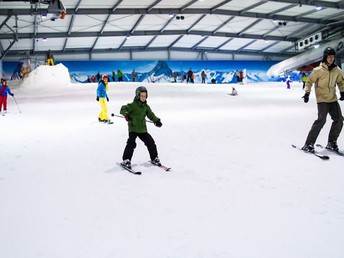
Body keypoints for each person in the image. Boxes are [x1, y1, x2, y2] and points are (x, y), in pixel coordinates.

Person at [301, 47, 344, 153]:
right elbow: (309, 81)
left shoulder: (337, 70)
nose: (331, 59)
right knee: (321, 120)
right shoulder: (318, 70)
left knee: (339, 120)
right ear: (325, 57)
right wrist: (307, 93)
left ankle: (331, 142)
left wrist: (342, 91)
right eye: (329, 57)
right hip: (322, 99)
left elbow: (341, 82)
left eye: (333, 57)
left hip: (332, 99)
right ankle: (308, 143)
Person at [120, 86, 163, 169]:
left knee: (150, 142)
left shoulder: (146, 107)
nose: (143, 98)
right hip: (133, 128)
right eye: (142, 96)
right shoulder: (133, 105)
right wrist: (126, 114)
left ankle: (154, 158)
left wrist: (156, 120)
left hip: (142, 129)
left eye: (145, 96)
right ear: (137, 95)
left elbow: (151, 115)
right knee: (131, 143)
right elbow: (123, 108)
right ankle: (126, 160)